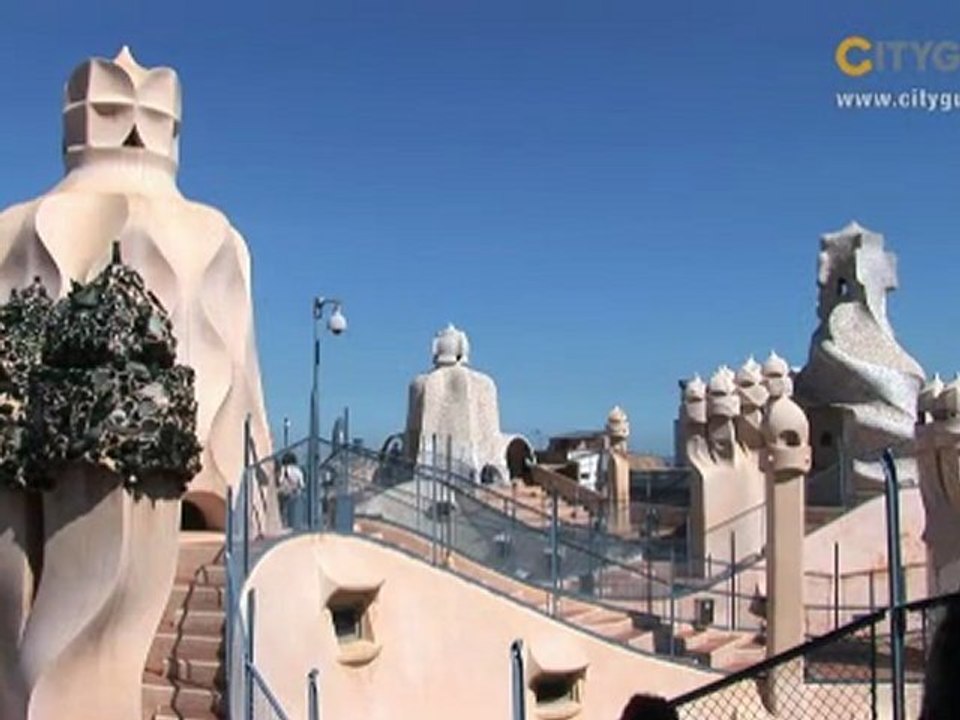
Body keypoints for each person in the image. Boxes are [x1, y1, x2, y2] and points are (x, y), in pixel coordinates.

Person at [277, 452, 306, 529]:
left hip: (285, 493)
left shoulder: (284, 469)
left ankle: (283, 524)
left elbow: (280, 481)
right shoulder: (298, 471)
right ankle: (294, 525)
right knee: (294, 512)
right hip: (296, 493)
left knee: (283, 510)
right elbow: (302, 485)